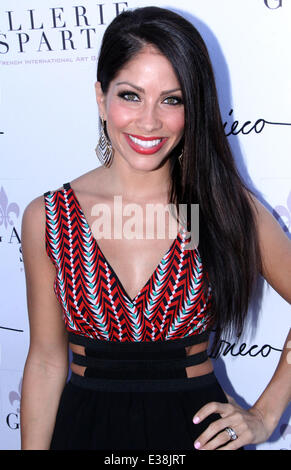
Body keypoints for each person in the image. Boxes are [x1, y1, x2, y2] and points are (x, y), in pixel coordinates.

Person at [20, 6, 291, 451]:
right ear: (100, 95)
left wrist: (263, 415)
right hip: (83, 434)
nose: (149, 121)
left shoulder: (224, 207)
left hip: (197, 440)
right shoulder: (48, 217)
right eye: (130, 95)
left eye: (172, 99)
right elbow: (48, 361)